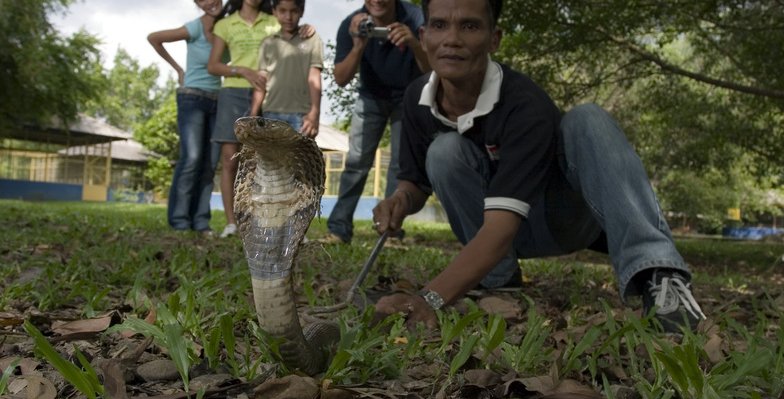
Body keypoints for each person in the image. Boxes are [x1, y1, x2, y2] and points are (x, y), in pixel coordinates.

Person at [371, 0, 706, 333]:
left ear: (494, 39)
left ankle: (660, 277)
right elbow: (413, 181)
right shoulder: (417, 98)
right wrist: (400, 199)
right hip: (495, 231)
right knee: (444, 150)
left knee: (587, 119)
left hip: (556, 222)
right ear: (423, 35)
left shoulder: (523, 102)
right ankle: (498, 280)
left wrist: (430, 298)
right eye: (441, 25)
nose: (452, 39)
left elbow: (500, 228)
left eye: (470, 26)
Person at [321, 0, 430, 244]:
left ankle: (390, 232)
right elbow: (340, 78)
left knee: (400, 166)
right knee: (356, 163)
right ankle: (339, 229)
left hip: (408, 99)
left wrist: (413, 42)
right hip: (370, 98)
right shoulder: (351, 24)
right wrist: (359, 45)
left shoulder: (415, 18)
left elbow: (431, 71)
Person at [207, 0, 313, 238]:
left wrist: (309, 28)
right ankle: (232, 223)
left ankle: (276, 222)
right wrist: (242, 70)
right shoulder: (225, 24)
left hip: (272, 95)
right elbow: (213, 65)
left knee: (274, 162)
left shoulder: (273, 20)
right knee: (230, 160)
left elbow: (294, 31)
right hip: (234, 93)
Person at [147, 0, 223, 236]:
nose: (210, 2)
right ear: (198, 4)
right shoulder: (194, 28)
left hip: (218, 100)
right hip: (192, 97)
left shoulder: (228, 28)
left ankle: (201, 221)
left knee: (210, 163)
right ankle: (180, 220)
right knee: (191, 158)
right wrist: (178, 69)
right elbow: (154, 37)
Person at [249, 0, 323, 139]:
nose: (288, 17)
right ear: (274, 11)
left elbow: (314, 77)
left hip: (301, 115)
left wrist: (314, 113)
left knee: (298, 160)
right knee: (272, 160)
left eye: (293, 11)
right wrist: (253, 116)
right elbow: (261, 82)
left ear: (301, 11)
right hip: (271, 114)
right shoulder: (268, 43)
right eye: (282, 11)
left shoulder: (312, 40)